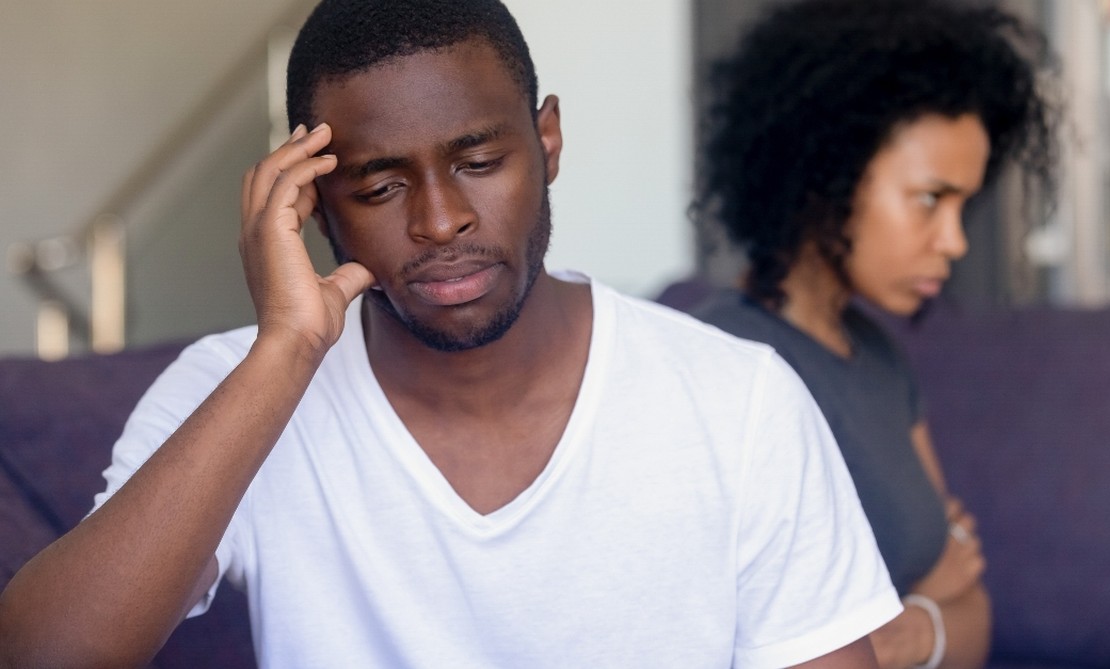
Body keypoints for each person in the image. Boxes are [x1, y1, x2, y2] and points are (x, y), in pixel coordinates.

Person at [0, 1, 904, 667]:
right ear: (309, 203)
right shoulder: (238, 387)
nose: (440, 220)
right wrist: (285, 353)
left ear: (547, 141)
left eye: (479, 161)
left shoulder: (738, 396)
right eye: (381, 185)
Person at [692, 1, 1057, 668]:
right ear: (826, 175)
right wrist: (926, 604)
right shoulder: (722, 366)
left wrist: (907, 626)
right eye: (929, 199)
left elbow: (974, 616)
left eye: (963, 206)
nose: (954, 241)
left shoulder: (882, 359)